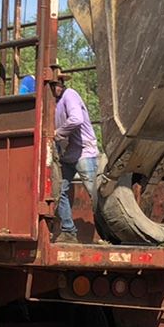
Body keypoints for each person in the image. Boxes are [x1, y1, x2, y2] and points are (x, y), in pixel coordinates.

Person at [50, 72, 98, 242]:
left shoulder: (70, 95)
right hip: (69, 154)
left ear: (61, 83)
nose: (54, 87)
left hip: (84, 152)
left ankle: (108, 231)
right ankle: (69, 230)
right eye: (51, 84)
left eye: (56, 84)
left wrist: (57, 133)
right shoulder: (54, 103)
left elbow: (76, 119)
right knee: (59, 191)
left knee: (95, 194)